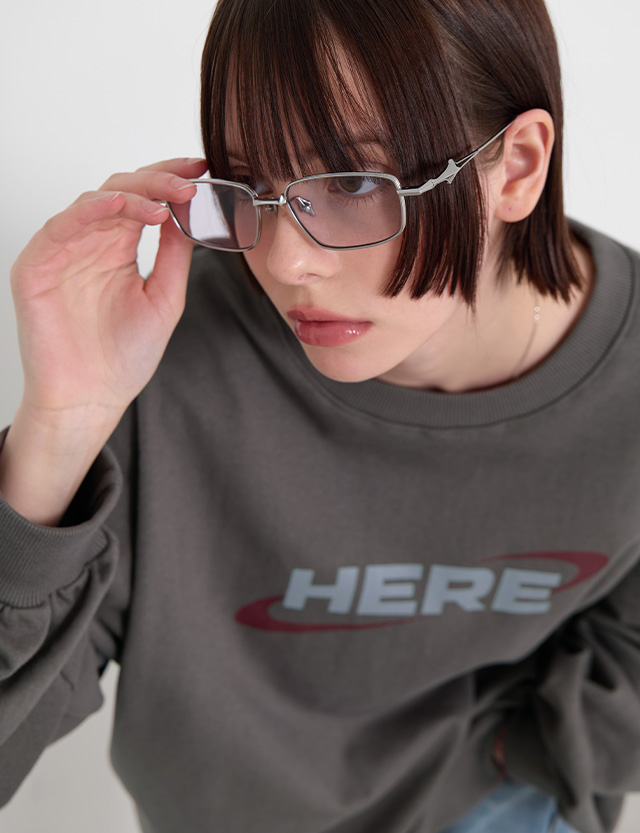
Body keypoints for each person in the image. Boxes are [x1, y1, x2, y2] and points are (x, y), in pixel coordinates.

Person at [0, 0, 639, 832]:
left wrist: (535, 757)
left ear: (516, 167)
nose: (287, 259)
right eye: (253, 187)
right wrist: (59, 426)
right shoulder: (163, 357)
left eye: (352, 184)